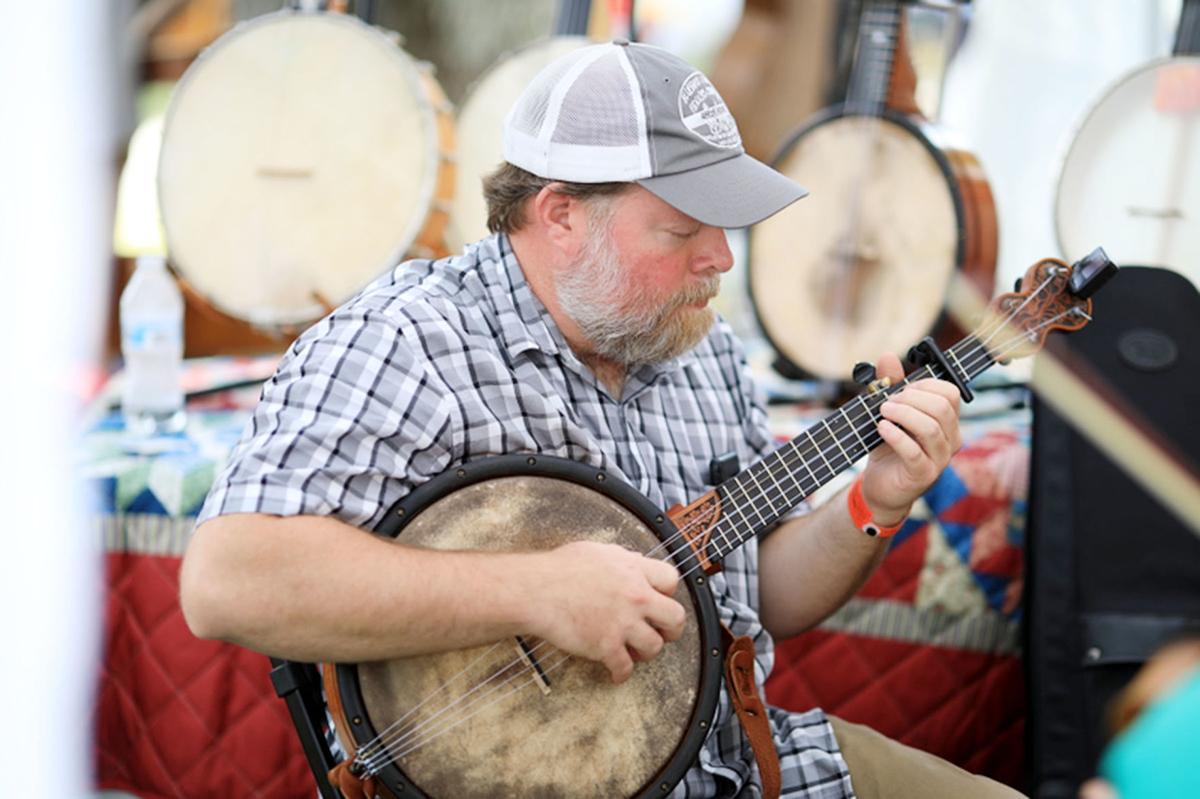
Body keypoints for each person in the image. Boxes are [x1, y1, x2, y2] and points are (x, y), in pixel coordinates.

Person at [180, 41, 1021, 799]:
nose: (721, 258)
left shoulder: (702, 344)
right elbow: (227, 582)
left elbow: (768, 593)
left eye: (722, 226)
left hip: (737, 762)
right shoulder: (406, 343)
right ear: (560, 215)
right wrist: (537, 591)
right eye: (682, 228)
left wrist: (876, 499)